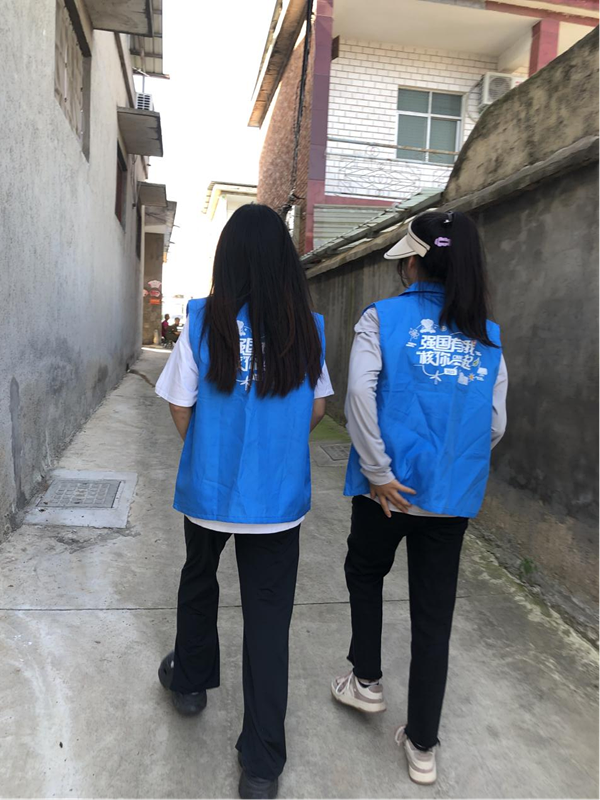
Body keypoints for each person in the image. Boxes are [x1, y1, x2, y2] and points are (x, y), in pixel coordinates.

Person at [155, 204, 333, 800]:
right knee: (268, 620)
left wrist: (209, 451)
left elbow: (180, 403)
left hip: (210, 493)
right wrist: (276, 452)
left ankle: (190, 682)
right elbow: (317, 407)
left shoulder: (202, 321)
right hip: (278, 503)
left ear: (227, 259)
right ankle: (261, 765)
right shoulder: (307, 327)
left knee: (199, 579)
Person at [330, 210, 507, 786]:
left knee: (365, 572)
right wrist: (452, 466)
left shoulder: (381, 317)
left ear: (412, 262)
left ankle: (366, 681)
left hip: (386, 492)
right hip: (450, 497)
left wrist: (379, 471)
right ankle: (423, 746)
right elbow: (495, 423)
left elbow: (359, 394)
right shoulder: (487, 336)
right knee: (434, 615)